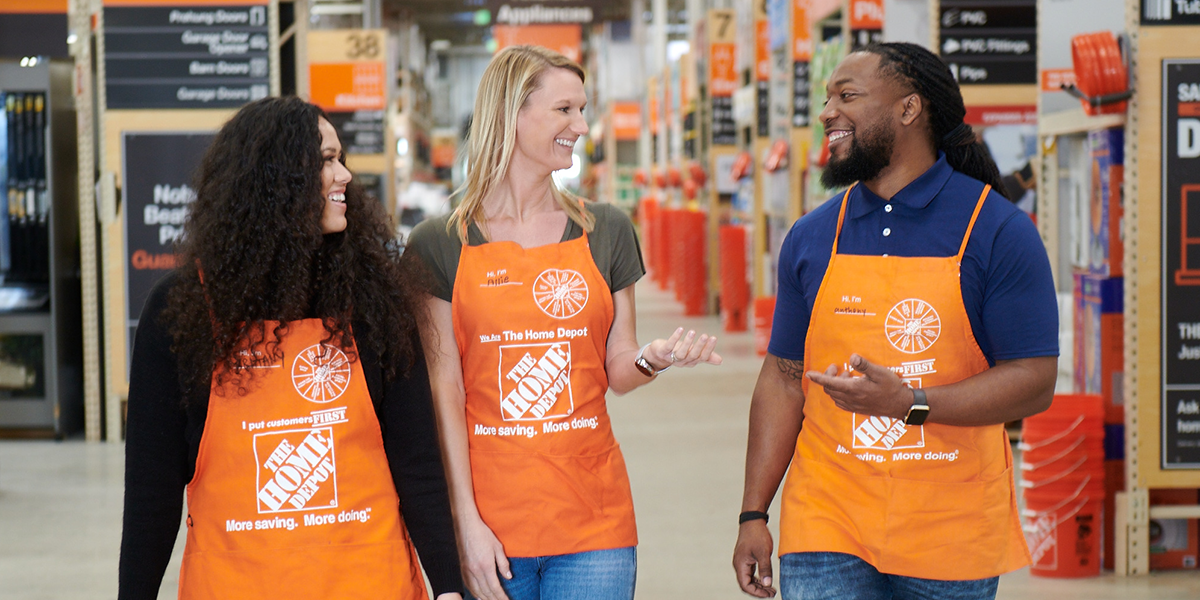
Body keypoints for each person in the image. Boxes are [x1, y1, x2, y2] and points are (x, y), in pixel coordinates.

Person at [732, 42, 1058, 600]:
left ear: (909, 109)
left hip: (950, 527)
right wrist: (753, 512)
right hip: (826, 518)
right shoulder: (813, 237)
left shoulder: (996, 230)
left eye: (847, 95)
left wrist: (912, 403)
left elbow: (1033, 379)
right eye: (828, 97)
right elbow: (785, 378)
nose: (827, 112)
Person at [406, 45, 721, 600]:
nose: (581, 125)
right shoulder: (439, 244)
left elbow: (619, 370)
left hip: (593, 519)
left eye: (583, 109)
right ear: (512, 114)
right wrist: (463, 522)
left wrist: (656, 358)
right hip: (492, 523)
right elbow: (444, 392)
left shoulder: (606, 230)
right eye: (564, 110)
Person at [118, 96, 462, 600]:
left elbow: (416, 462)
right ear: (274, 179)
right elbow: (153, 490)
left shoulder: (373, 300)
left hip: (368, 583)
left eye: (341, 158)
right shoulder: (183, 311)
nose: (344, 175)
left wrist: (449, 585)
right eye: (325, 161)